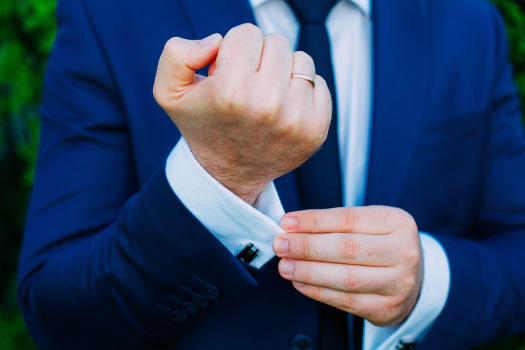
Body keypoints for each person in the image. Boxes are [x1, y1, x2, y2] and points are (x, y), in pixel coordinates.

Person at [17, 0, 525, 349]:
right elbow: (56, 311)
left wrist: (425, 284)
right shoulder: (108, 14)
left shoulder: (468, 21)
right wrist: (220, 175)